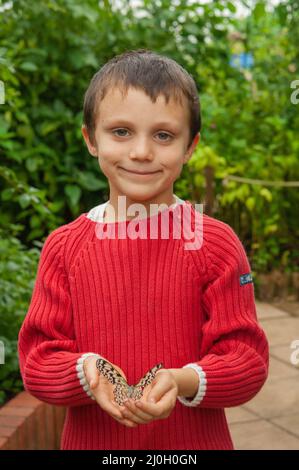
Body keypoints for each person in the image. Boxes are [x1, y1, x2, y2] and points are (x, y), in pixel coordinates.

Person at [18, 49, 269, 450]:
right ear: (90, 139)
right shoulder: (64, 248)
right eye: (121, 132)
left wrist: (182, 380)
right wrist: (89, 370)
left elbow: (247, 361)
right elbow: (37, 361)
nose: (141, 152)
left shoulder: (216, 244)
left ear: (190, 147)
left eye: (164, 135)